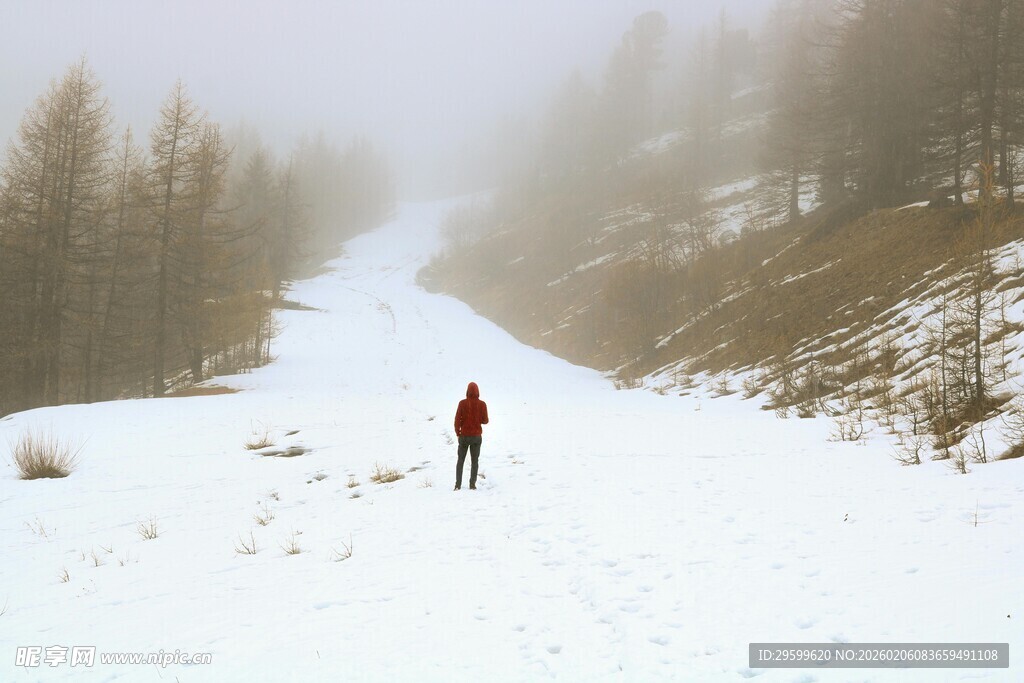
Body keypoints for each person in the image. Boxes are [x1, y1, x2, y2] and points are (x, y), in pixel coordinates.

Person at [453, 381, 488, 490]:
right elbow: (485, 421)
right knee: (475, 461)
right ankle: (472, 485)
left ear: (467, 391)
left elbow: (457, 420)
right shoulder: (482, 404)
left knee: (460, 460)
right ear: (478, 392)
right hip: (476, 437)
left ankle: (458, 485)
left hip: (464, 436)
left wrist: (458, 432)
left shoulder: (462, 403)